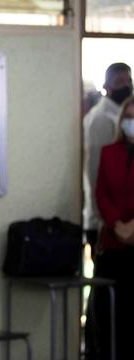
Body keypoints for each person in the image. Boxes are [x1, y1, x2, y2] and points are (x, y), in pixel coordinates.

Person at [91, 95, 134, 360]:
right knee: (108, 315)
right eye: (128, 118)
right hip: (113, 243)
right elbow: (101, 194)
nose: (132, 123)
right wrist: (118, 225)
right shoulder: (109, 152)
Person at [83, 63, 132, 250]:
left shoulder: (119, 112)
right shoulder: (101, 118)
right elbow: (96, 174)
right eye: (119, 81)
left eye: (129, 80)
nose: (126, 86)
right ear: (107, 87)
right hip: (106, 222)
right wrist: (108, 221)